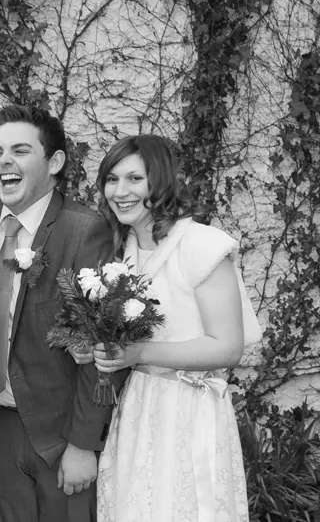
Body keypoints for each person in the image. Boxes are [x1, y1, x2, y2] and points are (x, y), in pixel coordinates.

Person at [0, 105, 123, 522]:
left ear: (54, 162)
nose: (5, 161)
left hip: (61, 437)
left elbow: (104, 341)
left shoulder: (84, 231)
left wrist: (84, 444)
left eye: (20, 150)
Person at [92, 134, 255, 522]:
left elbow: (227, 347)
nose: (120, 190)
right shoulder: (120, 251)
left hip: (189, 408)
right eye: (111, 179)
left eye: (134, 178)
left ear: (160, 181)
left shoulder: (201, 245)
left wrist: (140, 354)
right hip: (138, 407)